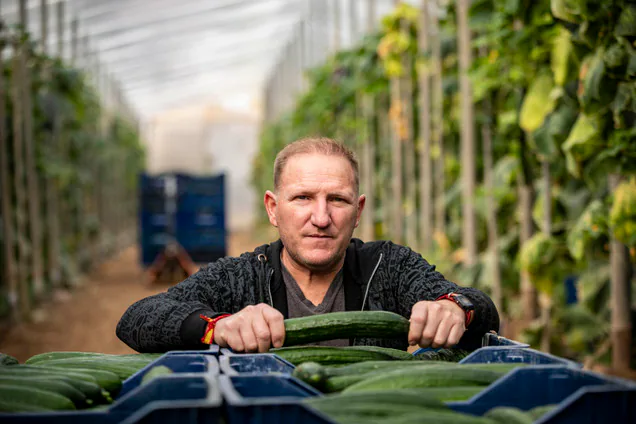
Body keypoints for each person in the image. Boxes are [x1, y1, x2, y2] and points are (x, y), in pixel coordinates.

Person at [116, 137, 499, 353]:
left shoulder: (389, 267)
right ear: (273, 208)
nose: (320, 217)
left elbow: (478, 309)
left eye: (337, 200)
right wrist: (216, 327)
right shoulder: (240, 276)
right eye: (302, 198)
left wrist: (455, 308)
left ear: (358, 209)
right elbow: (137, 318)